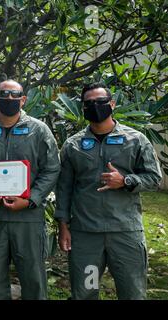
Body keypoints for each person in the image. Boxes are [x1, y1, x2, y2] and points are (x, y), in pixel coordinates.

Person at [55, 82, 163, 300]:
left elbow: (154, 178)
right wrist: (63, 226)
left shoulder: (136, 140)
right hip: (86, 236)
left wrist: (126, 180)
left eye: (101, 102)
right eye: (89, 103)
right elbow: (64, 188)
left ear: (112, 104)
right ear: (82, 107)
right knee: (86, 292)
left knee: (132, 293)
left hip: (125, 233)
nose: (95, 106)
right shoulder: (73, 145)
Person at [0, 79, 60, 300]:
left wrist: (32, 198)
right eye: (4, 94)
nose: (10, 99)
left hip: (28, 219)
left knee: (34, 281)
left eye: (15, 95)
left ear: (23, 99)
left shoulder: (38, 130)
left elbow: (52, 169)